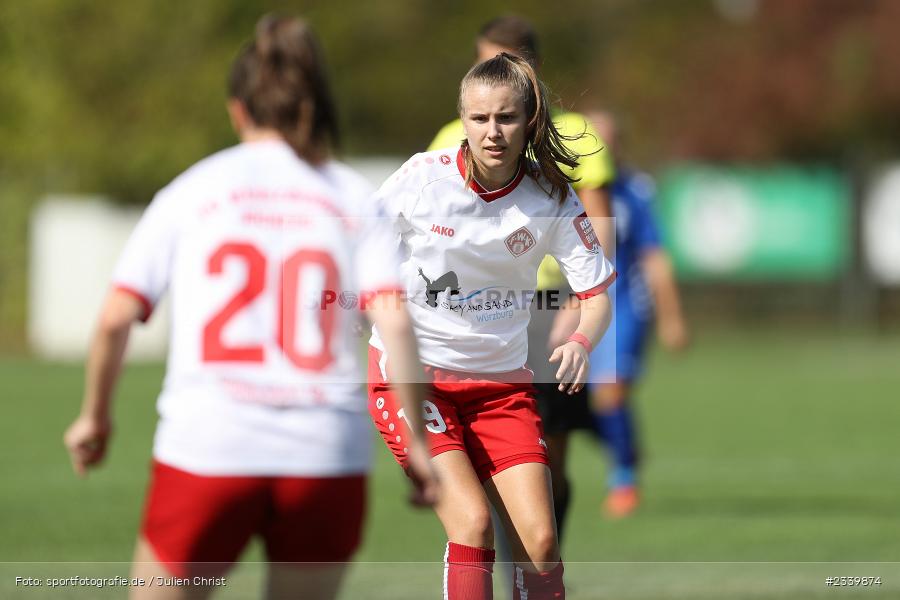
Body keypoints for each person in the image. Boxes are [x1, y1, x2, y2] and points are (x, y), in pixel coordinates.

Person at [63, 15, 437, 600]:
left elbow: (115, 317)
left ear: (237, 109)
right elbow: (393, 318)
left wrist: (94, 416)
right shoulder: (352, 196)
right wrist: (416, 444)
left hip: (210, 447)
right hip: (325, 453)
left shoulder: (193, 189)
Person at [369, 53, 615, 599]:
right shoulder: (419, 178)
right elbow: (358, 256)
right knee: (473, 525)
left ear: (527, 120)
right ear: (462, 119)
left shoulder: (549, 196)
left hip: (501, 386)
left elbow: (596, 293)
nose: (492, 132)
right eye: (479, 119)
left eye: (505, 118)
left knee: (542, 542)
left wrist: (580, 339)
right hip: (416, 380)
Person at [428, 12, 616, 545]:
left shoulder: (575, 134)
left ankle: (536, 560)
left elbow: (600, 226)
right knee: (474, 471)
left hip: (551, 306)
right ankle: (495, 557)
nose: (492, 129)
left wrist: (579, 310)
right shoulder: (450, 136)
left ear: (528, 72)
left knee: (546, 455)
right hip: (468, 315)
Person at [586, 110, 690, 518]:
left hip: (626, 305)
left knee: (610, 388)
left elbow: (654, 258)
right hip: (572, 307)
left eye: (608, 140)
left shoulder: (635, 191)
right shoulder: (562, 188)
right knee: (576, 403)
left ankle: (624, 478)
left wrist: (671, 317)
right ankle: (623, 445)